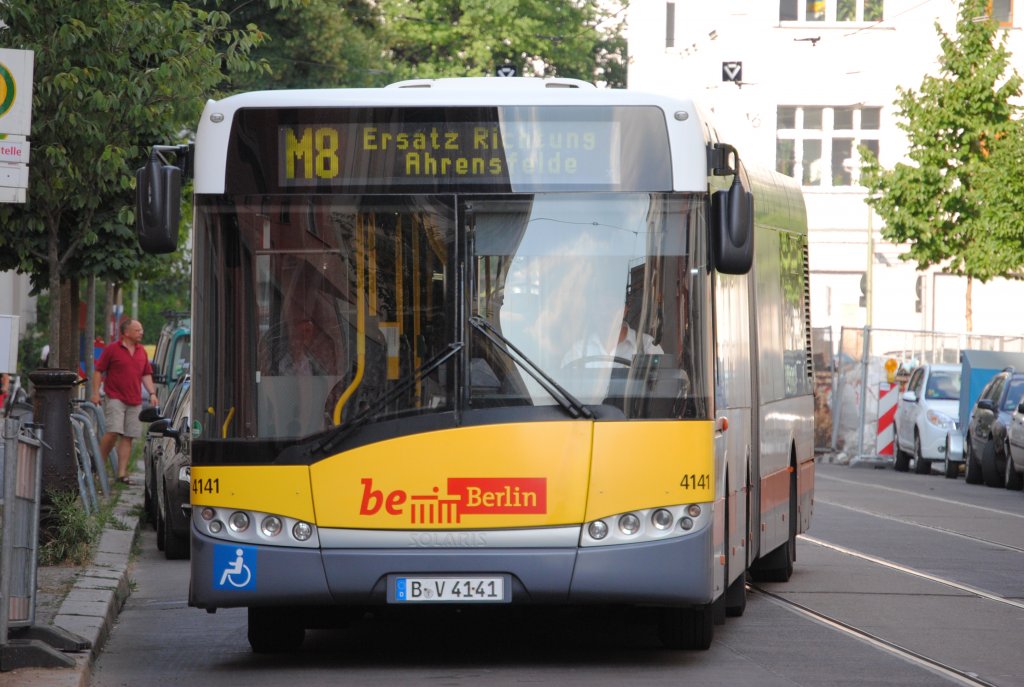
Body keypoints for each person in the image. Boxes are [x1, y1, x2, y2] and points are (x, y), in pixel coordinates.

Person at [91, 319, 158, 485]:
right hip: (115, 397)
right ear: (126, 332)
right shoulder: (112, 349)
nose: (141, 333)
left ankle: (121, 474)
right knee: (113, 431)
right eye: (137, 330)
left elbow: (146, 374)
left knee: (128, 436)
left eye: (141, 330)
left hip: (134, 400)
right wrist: (95, 393)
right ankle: (97, 465)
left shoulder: (142, 351)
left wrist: (152, 393)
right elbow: (99, 371)